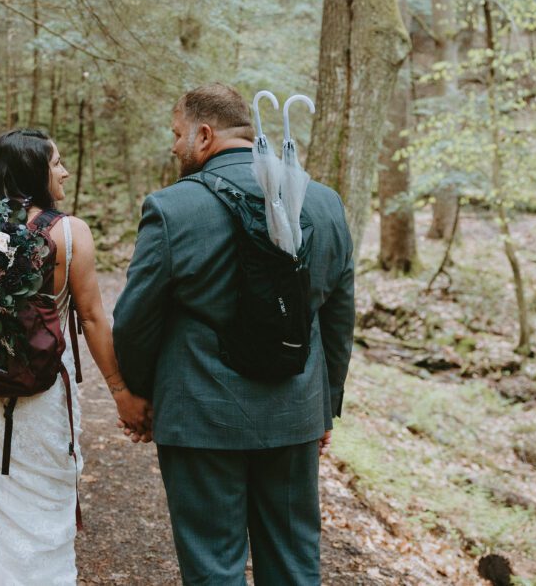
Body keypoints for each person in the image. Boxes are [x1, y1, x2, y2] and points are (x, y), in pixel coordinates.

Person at [112, 84, 355, 585]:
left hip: (200, 415)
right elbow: (337, 315)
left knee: (212, 567)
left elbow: (135, 319)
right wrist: (325, 403)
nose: (175, 147)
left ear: (205, 134)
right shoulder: (326, 205)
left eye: (177, 135)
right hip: (294, 411)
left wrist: (139, 391)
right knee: (293, 564)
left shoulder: (171, 209)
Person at [0, 129, 152, 583]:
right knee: (41, 512)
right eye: (56, 162)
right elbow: (91, 319)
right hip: (44, 394)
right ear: (34, 171)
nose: (64, 171)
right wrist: (123, 394)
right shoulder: (70, 233)